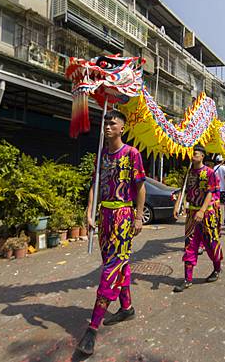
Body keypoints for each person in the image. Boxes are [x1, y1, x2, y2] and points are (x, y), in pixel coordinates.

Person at [78, 110, 146, 356]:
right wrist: (89, 210)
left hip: (122, 218)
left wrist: (138, 216)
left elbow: (140, 188)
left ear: (122, 129)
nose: (107, 126)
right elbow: (95, 184)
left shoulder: (132, 154)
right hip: (104, 217)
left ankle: (92, 328)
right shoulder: (102, 155)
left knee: (110, 270)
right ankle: (126, 308)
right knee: (116, 264)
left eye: (112, 123)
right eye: (105, 123)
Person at [172, 145, 223, 292]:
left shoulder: (209, 173)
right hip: (191, 215)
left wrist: (202, 210)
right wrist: (177, 206)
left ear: (202, 156)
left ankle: (217, 269)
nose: (192, 156)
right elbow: (183, 191)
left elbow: (210, 193)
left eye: (195, 154)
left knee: (211, 244)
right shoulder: (189, 173)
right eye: (192, 154)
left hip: (207, 214)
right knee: (189, 246)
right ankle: (187, 279)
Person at [214, 155, 225, 226]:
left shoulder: (214, 168)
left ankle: (217, 219)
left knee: (217, 205)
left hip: (216, 189)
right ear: (222, 161)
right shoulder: (224, 168)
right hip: (224, 189)